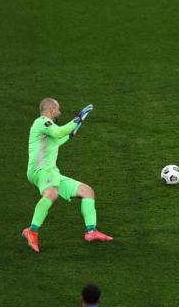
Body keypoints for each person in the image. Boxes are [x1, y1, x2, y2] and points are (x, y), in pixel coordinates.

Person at [22, 98, 113, 253]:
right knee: (51, 193)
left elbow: (57, 141)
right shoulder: (42, 122)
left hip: (51, 172)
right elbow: (59, 132)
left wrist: (71, 134)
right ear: (51, 110)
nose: (59, 112)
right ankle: (32, 230)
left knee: (87, 191)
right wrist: (77, 118)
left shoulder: (47, 129)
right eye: (58, 109)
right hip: (40, 170)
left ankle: (91, 231)